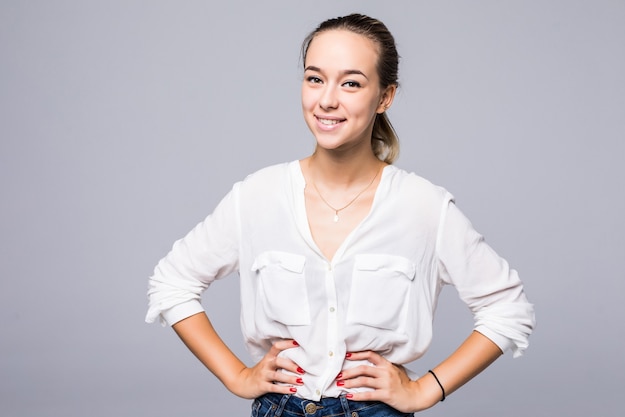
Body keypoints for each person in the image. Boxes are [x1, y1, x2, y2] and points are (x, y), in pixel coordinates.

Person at [146, 13, 535, 416]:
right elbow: (172, 281)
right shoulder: (257, 197)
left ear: (385, 97)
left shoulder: (423, 206)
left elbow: (508, 307)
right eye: (315, 78)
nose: (327, 100)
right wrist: (236, 376)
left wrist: (426, 389)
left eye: (351, 83)